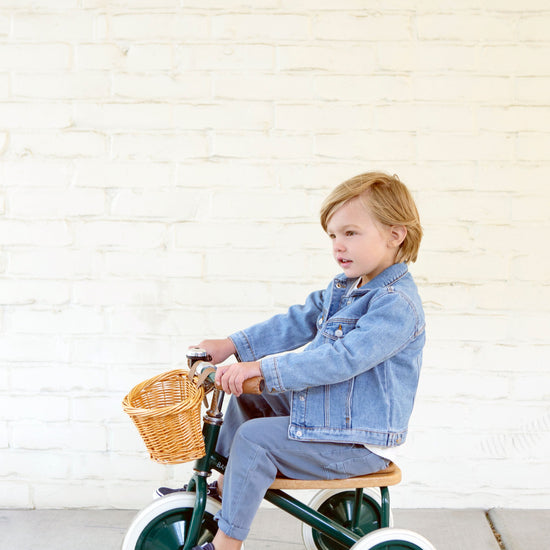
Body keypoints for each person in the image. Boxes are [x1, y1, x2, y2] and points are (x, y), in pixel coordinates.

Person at [174, 171, 425, 550]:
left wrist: (260, 369)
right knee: (248, 400)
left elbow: (339, 360)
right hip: (335, 418)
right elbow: (297, 321)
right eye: (333, 235)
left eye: (351, 233)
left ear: (395, 235)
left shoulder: (395, 305)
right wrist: (231, 345)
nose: (338, 246)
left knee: (255, 440)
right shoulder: (346, 288)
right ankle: (222, 490)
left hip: (360, 441)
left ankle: (226, 543)